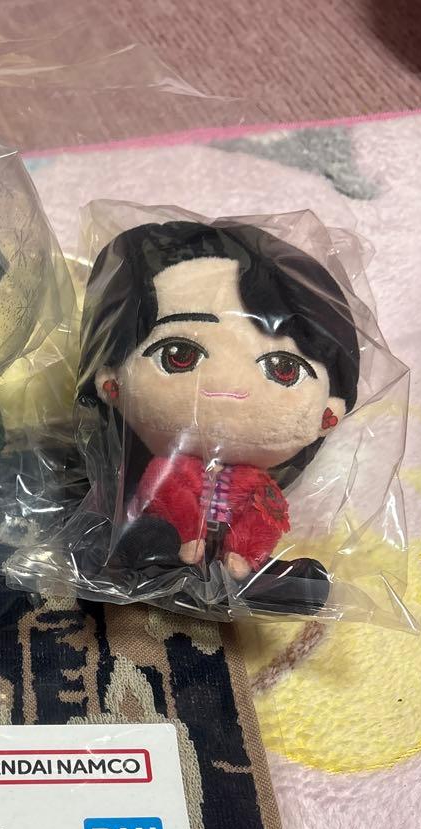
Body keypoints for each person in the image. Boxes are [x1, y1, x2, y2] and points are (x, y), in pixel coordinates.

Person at [79, 219, 360, 613]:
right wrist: (186, 536)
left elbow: (263, 517)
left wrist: (242, 552)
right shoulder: (167, 469)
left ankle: (260, 581)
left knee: (280, 572)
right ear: (112, 384)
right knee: (145, 535)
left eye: (283, 369)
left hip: (231, 560)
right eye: (179, 355)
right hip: (171, 542)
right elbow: (166, 495)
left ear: (328, 413)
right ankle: (154, 559)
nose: (229, 388)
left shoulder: (256, 484)